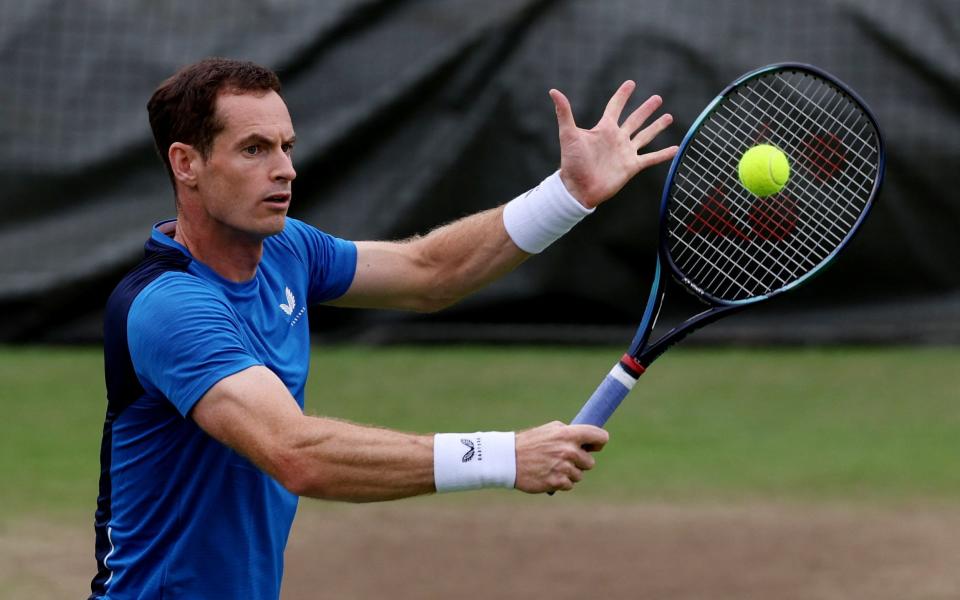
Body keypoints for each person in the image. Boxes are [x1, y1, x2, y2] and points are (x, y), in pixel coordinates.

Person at [89, 57, 678, 599]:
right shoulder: (170, 307)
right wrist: (505, 455)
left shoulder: (287, 250)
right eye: (254, 149)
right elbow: (297, 453)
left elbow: (430, 272)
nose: (285, 170)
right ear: (186, 163)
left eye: (287, 147)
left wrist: (567, 195)